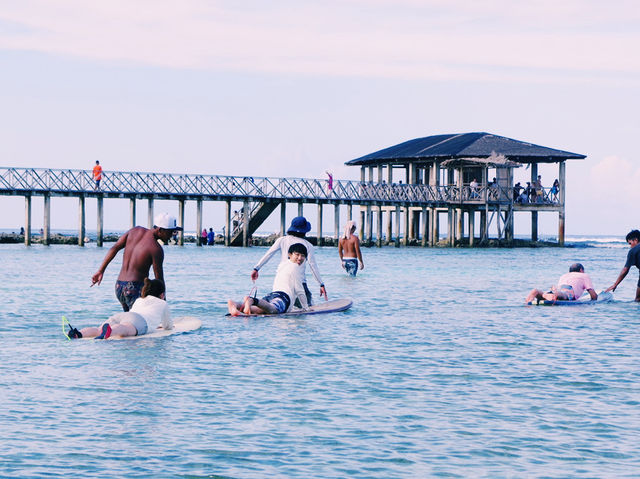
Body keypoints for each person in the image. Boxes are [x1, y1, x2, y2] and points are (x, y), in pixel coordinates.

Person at [91, 212, 182, 311]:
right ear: (160, 230)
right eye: (170, 232)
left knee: (129, 319)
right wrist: (164, 303)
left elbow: (114, 248)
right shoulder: (156, 249)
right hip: (135, 288)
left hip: (119, 286)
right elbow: (159, 279)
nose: (172, 236)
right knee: (138, 322)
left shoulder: (134, 231)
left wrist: (101, 271)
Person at [251, 216, 327, 305]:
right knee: (305, 310)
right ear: (305, 230)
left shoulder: (282, 240)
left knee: (279, 306)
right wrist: (321, 284)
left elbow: (269, 254)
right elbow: (313, 267)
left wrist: (256, 268)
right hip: (299, 283)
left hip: (282, 282)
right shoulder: (308, 245)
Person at [66, 278, 173, 339]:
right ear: (162, 294)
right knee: (125, 328)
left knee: (98, 329)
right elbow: (168, 325)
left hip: (125, 315)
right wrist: (162, 326)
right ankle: (110, 331)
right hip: (140, 321)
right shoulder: (162, 303)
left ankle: (78, 333)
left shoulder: (139, 300)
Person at [229, 243, 309, 316]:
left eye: (302, 256)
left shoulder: (282, 265)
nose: (300, 258)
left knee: (259, 310)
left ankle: (236, 305)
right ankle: (252, 300)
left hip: (272, 295)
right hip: (284, 297)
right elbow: (300, 290)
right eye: (297, 255)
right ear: (289, 255)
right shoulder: (296, 267)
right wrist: (306, 308)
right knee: (273, 310)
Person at [525, 263, 598, 304]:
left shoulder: (564, 275)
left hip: (561, 288)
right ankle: (552, 294)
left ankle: (539, 293)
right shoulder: (584, 275)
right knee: (563, 295)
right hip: (569, 291)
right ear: (581, 270)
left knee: (559, 293)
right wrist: (593, 303)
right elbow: (593, 295)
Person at [605, 230, 640, 301]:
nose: (630, 246)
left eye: (630, 243)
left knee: (638, 299)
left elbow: (625, 270)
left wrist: (615, 284)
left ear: (636, 240)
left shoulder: (633, 251)